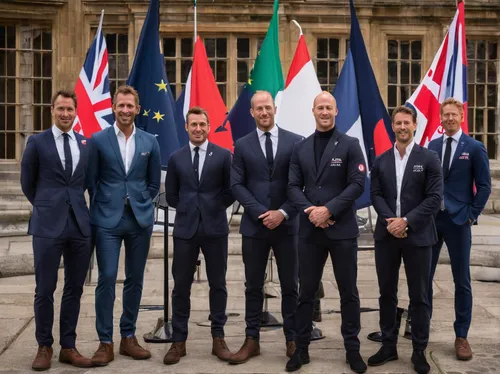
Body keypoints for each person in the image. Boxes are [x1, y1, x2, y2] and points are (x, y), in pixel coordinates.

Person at [286, 91, 367, 373]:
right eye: (320, 107)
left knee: (349, 292)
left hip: (341, 231)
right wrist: (312, 212)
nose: (324, 112)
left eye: (329, 107)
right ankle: (302, 349)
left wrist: (329, 210)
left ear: (336, 112)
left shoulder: (350, 144)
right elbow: (293, 187)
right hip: (310, 232)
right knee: (305, 292)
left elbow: (356, 184)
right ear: (313, 111)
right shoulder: (301, 147)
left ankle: (352, 350)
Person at [87, 85, 161, 366]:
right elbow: (91, 181)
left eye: (130, 106)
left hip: (139, 219)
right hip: (107, 219)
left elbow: (153, 182)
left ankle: (127, 336)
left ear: (137, 109)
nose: (126, 110)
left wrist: (141, 200)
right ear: (114, 108)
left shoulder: (149, 142)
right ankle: (105, 341)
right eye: (121, 105)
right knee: (106, 278)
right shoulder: (98, 140)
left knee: (135, 279)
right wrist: (106, 203)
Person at [20, 90, 94, 370]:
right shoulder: (37, 142)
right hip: (47, 225)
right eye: (61, 109)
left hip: (79, 226)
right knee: (45, 289)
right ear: (52, 110)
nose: (65, 114)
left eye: (70, 110)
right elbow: (28, 183)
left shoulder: (84, 144)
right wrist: (47, 206)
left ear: (76, 112)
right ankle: (44, 346)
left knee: (74, 288)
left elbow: (86, 182)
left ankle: (68, 346)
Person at [367, 106, 443, 374]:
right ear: (393, 126)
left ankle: (419, 350)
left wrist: (406, 221)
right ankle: (388, 345)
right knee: (386, 293)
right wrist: (391, 221)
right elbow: (375, 194)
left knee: (419, 296)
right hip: (387, 235)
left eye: (406, 123)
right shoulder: (381, 160)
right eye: (397, 123)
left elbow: (434, 198)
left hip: (419, 236)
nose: (401, 127)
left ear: (415, 126)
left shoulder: (430, 158)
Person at [230, 90, 302, 364]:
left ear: (275, 109)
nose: (264, 112)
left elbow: (300, 184)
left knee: (290, 286)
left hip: (287, 227)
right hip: (255, 228)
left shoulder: (295, 142)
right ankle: (252, 340)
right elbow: (237, 185)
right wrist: (262, 213)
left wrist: (282, 212)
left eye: (267, 108)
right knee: (253, 286)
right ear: (252, 112)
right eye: (258, 108)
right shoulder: (243, 144)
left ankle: (292, 339)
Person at [163, 106, 235, 364]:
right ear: (186, 127)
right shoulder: (176, 157)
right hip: (185, 229)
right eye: (193, 124)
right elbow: (171, 195)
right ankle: (178, 341)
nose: (197, 129)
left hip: (215, 228)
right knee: (181, 286)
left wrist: (213, 206)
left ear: (208, 126)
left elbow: (231, 191)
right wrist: (188, 207)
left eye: (202, 124)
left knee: (218, 284)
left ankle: (218, 338)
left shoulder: (224, 156)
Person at [428, 98, 491, 361]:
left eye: (454, 114)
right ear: (441, 119)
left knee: (461, 280)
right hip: (432, 222)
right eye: (446, 115)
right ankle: (419, 328)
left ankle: (462, 335)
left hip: (458, 222)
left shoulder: (474, 148)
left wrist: (471, 215)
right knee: (423, 278)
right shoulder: (431, 147)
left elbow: (484, 186)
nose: (450, 118)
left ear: (462, 117)